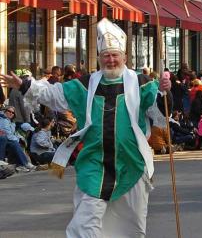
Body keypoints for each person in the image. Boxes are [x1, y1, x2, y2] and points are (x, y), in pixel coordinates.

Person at [0, 18, 171, 237]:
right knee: (83, 224)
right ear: (99, 58)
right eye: (106, 55)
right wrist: (24, 85)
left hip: (131, 163)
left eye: (114, 55)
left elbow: (159, 111)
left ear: (124, 57)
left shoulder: (141, 82)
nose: (110, 60)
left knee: (131, 227)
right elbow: (54, 95)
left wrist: (165, 92)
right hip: (94, 164)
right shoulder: (85, 84)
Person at [0, 106, 36, 172]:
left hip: (7, 141)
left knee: (15, 144)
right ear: (5, 111)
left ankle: (21, 165)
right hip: (3, 140)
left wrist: (18, 138)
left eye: (13, 112)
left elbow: (13, 134)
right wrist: (18, 140)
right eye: (9, 111)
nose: (11, 113)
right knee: (14, 143)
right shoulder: (3, 120)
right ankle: (25, 164)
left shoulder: (11, 122)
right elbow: (8, 135)